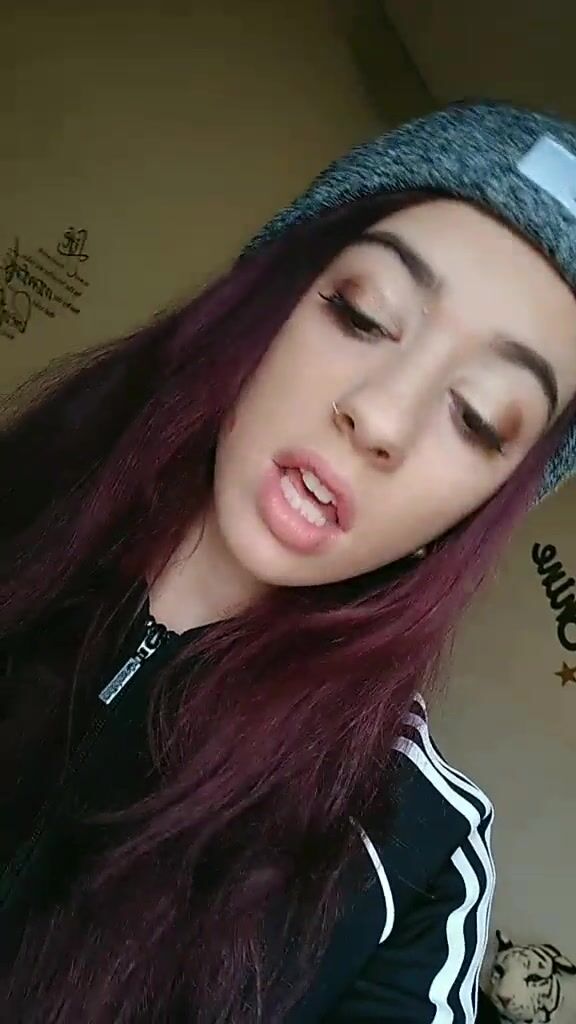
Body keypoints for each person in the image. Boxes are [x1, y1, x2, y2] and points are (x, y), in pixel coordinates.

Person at [1, 99, 576, 1024]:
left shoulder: (417, 867)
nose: (380, 417)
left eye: (477, 418)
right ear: (264, 305)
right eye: (364, 313)